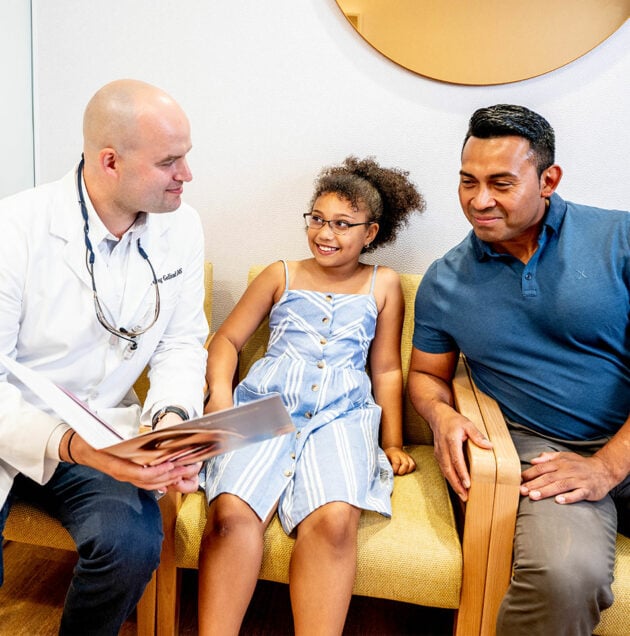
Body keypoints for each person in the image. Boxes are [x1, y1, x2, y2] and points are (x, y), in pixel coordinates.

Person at [408, 104, 629, 635]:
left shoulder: (618, 240)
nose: (479, 201)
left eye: (501, 183)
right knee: (562, 575)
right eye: (468, 182)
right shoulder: (445, 281)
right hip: (545, 454)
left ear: (548, 179)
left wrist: (607, 465)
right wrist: (441, 417)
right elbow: (426, 375)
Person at [0, 79, 209, 634]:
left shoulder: (181, 227)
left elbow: (181, 341)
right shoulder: (13, 230)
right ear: (109, 161)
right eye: (170, 161)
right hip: (8, 427)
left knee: (130, 544)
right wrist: (76, 446)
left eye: (186, 156)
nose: (186, 174)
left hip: (101, 430)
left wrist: (170, 421)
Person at [198, 156, 425, 635]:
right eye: (318, 219)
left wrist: (393, 443)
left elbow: (385, 368)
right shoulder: (280, 273)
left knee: (334, 520)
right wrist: (220, 396)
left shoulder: (382, 284)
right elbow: (226, 341)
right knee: (230, 513)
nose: (326, 232)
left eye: (343, 224)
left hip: (342, 415)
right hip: (261, 407)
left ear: (371, 232)